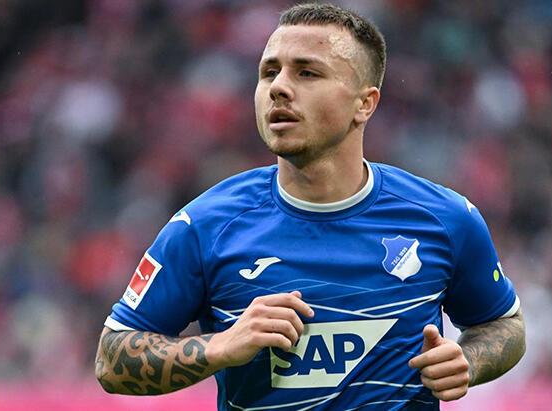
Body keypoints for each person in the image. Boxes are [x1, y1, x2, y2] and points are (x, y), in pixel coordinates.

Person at [95, 2, 525, 410]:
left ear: (364, 103)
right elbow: (111, 358)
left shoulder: (445, 219)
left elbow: (503, 324)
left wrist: (468, 361)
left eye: (307, 73)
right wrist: (219, 346)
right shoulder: (205, 226)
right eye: (269, 72)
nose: (278, 87)